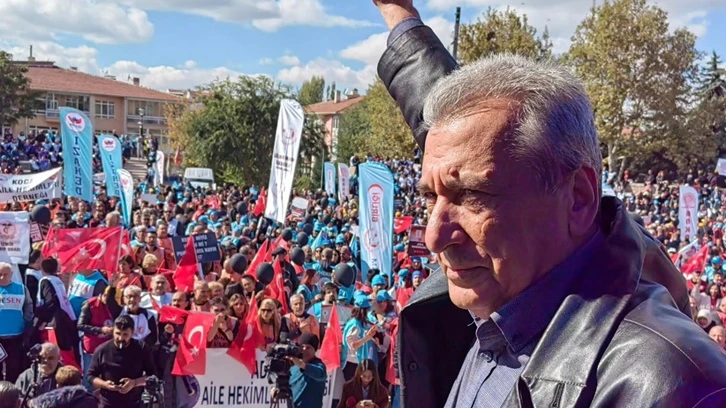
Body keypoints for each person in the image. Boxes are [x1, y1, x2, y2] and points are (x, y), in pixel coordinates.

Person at [370, 1, 726, 406]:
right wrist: (399, 14)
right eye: (431, 197)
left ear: (578, 199)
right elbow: (471, 139)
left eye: (471, 197)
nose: (434, 236)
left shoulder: (669, 385)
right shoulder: (501, 294)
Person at [86, 316, 157, 408]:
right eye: (118, 333)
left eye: (125, 334)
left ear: (132, 333)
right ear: (113, 331)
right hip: (108, 402)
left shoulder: (141, 348)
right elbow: (90, 376)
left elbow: (152, 376)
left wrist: (134, 383)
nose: (120, 338)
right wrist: (105, 384)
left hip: (134, 402)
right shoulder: (102, 350)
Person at [0, 262, 33, 383]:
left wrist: (24, 323)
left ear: (11, 274)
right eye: (0, 274)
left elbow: (28, 308)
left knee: (13, 367)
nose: (2, 277)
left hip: (15, 336)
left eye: (5, 274)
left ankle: (11, 391)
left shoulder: (21, 289)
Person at [279, 333, 327, 408]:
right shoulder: (293, 366)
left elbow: (320, 374)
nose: (304, 350)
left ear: (315, 350)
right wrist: (278, 390)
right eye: (302, 347)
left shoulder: (319, 365)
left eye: (308, 347)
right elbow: (288, 386)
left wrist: (302, 365)